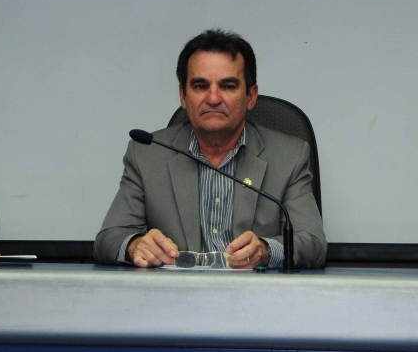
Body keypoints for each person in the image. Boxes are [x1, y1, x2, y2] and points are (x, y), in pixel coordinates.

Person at [94, 29, 326, 269]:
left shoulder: (288, 156)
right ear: (183, 96)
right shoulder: (147, 155)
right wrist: (135, 245)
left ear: (251, 96)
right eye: (200, 85)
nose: (213, 98)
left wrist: (266, 251)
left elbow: (313, 243)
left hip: (254, 291)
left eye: (228, 86)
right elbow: (108, 239)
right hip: (174, 291)